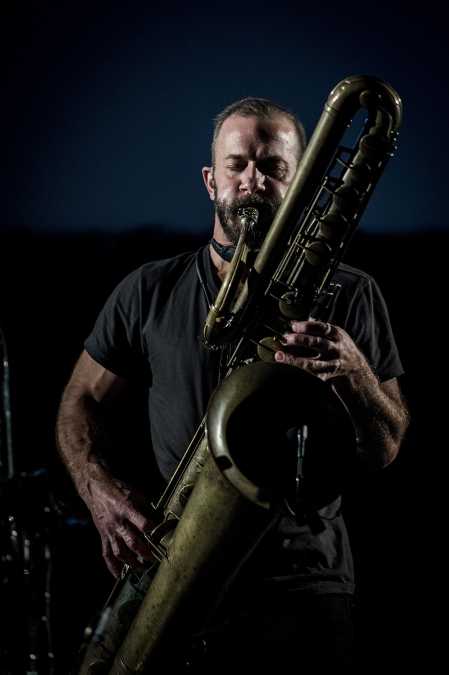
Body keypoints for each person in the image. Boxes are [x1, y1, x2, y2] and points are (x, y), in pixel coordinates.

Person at [56, 97, 409, 672]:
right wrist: (98, 491)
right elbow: (82, 399)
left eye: (273, 168)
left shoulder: (352, 293)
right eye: (237, 164)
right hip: (180, 579)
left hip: (305, 588)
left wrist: (354, 372)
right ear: (209, 179)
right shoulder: (148, 289)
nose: (251, 181)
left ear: (299, 184)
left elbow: (386, 447)